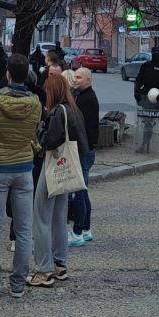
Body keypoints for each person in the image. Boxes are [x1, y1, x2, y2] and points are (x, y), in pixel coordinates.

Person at [0, 55, 41, 300]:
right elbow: (35, 128)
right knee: (24, 229)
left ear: (8, 74)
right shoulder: (35, 102)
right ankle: (17, 285)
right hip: (23, 167)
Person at [29, 73, 88, 288]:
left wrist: (40, 127)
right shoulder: (74, 109)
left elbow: (49, 141)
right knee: (59, 218)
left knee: (42, 216)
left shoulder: (57, 112)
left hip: (53, 167)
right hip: (68, 168)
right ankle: (59, 264)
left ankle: (44, 270)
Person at [69, 68, 99, 246]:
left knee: (79, 191)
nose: (75, 80)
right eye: (74, 77)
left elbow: (81, 127)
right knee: (83, 190)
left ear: (88, 80)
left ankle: (78, 231)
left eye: (79, 77)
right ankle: (86, 228)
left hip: (84, 150)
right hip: (86, 149)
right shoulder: (82, 95)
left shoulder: (86, 99)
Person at [135, 46, 159, 156]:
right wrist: (137, 92)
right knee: (147, 122)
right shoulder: (146, 66)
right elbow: (139, 80)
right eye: (154, 52)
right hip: (146, 98)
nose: (156, 54)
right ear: (151, 53)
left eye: (158, 52)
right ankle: (144, 145)